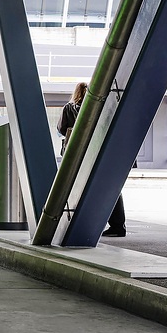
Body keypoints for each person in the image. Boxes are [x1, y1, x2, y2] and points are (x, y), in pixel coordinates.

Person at [59, 82, 127, 237]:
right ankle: (118, 225)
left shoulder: (69, 108)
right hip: (101, 151)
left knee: (78, 187)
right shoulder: (101, 107)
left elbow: (62, 129)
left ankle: (80, 223)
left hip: (78, 154)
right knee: (111, 188)